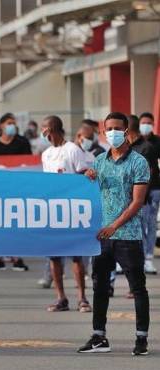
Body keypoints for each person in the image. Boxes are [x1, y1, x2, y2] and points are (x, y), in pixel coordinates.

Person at [78, 112, 150, 356]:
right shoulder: (100, 161)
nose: (112, 133)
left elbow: (137, 201)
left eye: (117, 128)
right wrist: (87, 178)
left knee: (137, 287)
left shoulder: (138, 162)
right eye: (108, 129)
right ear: (103, 131)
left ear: (127, 131)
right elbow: (90, 192)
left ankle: (141, 339)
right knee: (100, 287)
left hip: (127, 235)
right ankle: (99, 336)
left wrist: (115, 225)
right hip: (102, 236)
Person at [40, 115, 91, 313]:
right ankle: (61, 298)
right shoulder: (45, 154)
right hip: (52, 210)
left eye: (45, 128)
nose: (43, 132)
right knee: (54, 257)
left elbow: (83, 175)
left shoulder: (72, 149)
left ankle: (82, 298)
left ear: (53, 128)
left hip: (71, 210)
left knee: (76, 256)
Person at [0, 113, 31, 271]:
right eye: (9, 123)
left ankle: (17, 257)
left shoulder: (22, 142)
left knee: (17, 222)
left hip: (17, 189)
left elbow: (29, 164)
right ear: (2, 125)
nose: (12, 125)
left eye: (14, 123)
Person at [137, 112, 160, 274]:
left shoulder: (158, 142)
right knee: (139, 224)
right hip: (139, 191)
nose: (146, 125)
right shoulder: (135, 143)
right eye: (143, 122)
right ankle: (141, 255)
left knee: (151, 224)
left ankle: (149, 258)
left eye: (149, 123)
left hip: (155, 189)